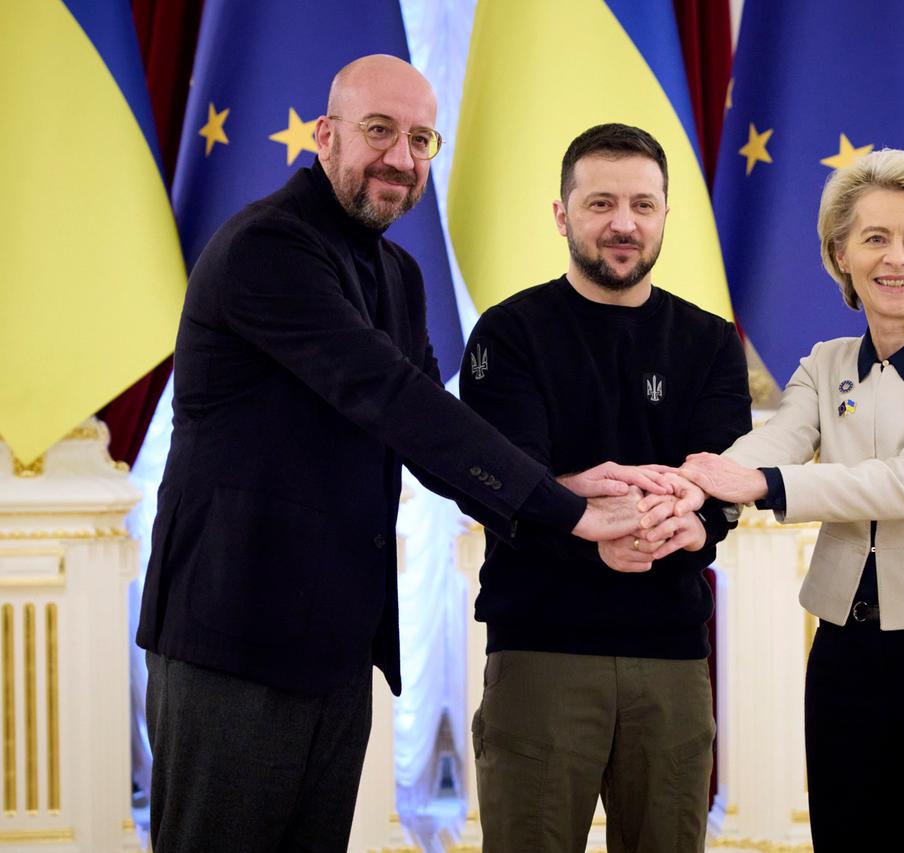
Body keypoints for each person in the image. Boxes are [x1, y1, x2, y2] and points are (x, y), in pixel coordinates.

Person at [136, 56, 656, 853]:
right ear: (325, 135)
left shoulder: (397, 270)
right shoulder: (267, 248)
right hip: (233, 641)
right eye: (379, 131)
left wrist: (553, 483)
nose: (401, 158)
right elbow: (394, 399)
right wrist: (572, 514)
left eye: (421, 139)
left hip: (336, 648)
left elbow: (431, 432)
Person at [676, 149, 904, 851]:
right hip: (848, 657)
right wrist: (697, 479)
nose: (895, 258)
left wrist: (762, 485)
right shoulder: (825, 362)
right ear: (840, 253)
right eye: (874, 237)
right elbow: (776, 442)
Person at [459, 123, 751, 853]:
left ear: (664, 216)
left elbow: (721, 481)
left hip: (674, 656)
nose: (624, 222)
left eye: (643, 205)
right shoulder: (508, 333)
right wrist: (581, 508)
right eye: (600, 203)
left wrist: (695, 521)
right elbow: (492, 480)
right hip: (541, 651)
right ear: (563, 215)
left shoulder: (712, 341)